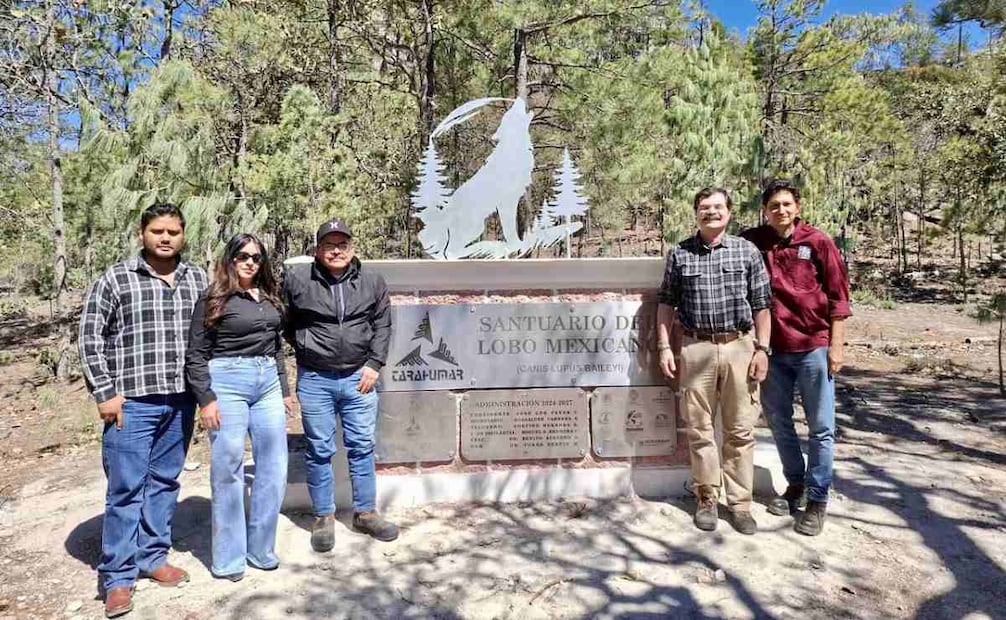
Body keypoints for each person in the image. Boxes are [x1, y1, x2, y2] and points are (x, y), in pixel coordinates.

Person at [78, 203, 208, 618]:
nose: (165, 237)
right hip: (131, 404)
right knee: (125, 489)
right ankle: (117, 577)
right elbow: (89, 337)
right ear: (142, 234)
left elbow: (209, 337)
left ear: (183, 234)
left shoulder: (197, 279)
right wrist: (105, 392)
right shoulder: (117, 278)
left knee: (165, 482)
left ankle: (152, 557)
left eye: (173, 231)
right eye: (157, 231)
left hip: (180, 400)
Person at [655, 187, 772, 535]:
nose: (711, 213)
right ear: (696, 213)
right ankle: (706, 498)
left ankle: (740, 504)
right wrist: (664, 346)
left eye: (718, 207)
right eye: (704, 208)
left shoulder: (747, 252)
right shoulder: (680, 254)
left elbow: (763, 305)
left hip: (740, 346)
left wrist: (762, 350)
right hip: (696, 348)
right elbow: (666, 304)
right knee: (699, 428)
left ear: (729, 213)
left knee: (740, 430)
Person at [741, 179, 852, 536]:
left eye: (786, 204)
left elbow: (838, 298)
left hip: (813, 347)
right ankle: (796, 484)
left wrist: (836, 346)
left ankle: (818, 498)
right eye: (774, 205)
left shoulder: (818, 242)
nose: (781, 210)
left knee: (821, 428)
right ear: (765, 210)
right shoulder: (754, 242)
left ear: (797, 207)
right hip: (773, 348)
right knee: (778, 421)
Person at [282, 219, 398, 550]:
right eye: (329, 245)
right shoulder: (299, 280)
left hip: (358, 378)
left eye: (342, 244)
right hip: (315, 378)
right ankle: (323, 516)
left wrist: (374, 364)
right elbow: (284, 321)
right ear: (317, 250)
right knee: (319, 449)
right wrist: (306, 347)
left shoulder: (372, 281)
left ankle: (365, 512)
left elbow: (383, 324)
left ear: (353, 247)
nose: (336, 250)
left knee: (362, 446)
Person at [185, 233, 294, 580]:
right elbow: (196, 355)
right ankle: (229, 559)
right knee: (227, 467)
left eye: (257, 257)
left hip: (267, 383)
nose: (250, 262)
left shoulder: (269, 297)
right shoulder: (214, 298)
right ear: (230, 259)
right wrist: (206, 399)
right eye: (243, 256)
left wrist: (285, 389)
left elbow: (276, 346)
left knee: (274, 465)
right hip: (227, 380)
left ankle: (261, 550)